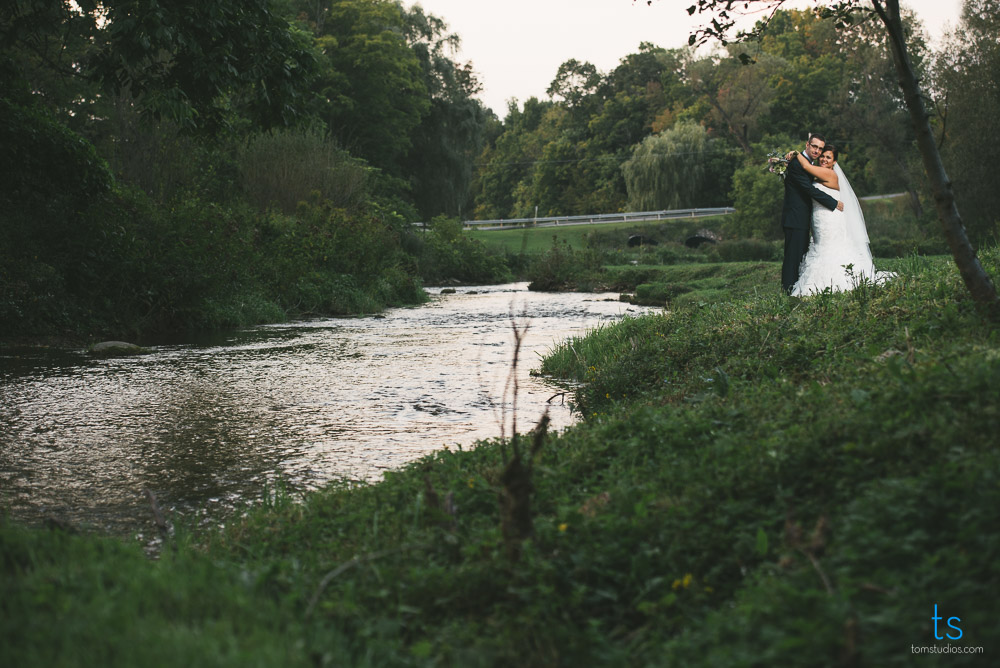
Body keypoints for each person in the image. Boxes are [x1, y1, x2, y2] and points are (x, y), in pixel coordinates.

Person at [786, 144, 895, 296]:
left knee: (831, 248)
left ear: (834, 162)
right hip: (819, 218)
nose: (823, 159)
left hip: (830, 218)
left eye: (828, 157)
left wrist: (796, 153)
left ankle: (834, 280)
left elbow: (804, 165)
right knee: (821, 246)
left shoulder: (829, 174)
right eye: (822, 156)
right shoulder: (819, 173)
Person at [781, 133, 844, 294]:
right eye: (814, 146)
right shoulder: (797, 164)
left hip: (808, 219)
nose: (817, 151)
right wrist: (833, 202)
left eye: (820, 149)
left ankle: (796, 289)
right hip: (796, 218)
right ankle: (789, 292)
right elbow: (809, 189)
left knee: (800, 258)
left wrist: (795, 153)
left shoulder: (810, 165)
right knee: (793, 259)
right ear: (807, 144)